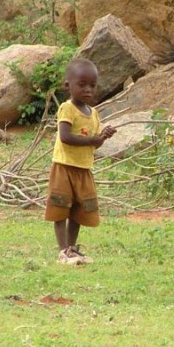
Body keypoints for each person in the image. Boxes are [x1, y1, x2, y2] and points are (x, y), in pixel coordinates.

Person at [44, 58, 116, 265]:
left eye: (92, 86)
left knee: (78, 210)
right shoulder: (67, 108)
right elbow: (65, 137)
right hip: (64, 167)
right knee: (60, 207)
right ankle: (62, 251)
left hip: (84, 168)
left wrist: (102, 137)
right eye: (82, 85)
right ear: (68, 85)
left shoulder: (93, 113)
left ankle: (72, 248)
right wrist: (92, 139)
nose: (88, 90)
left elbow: (94, 145)